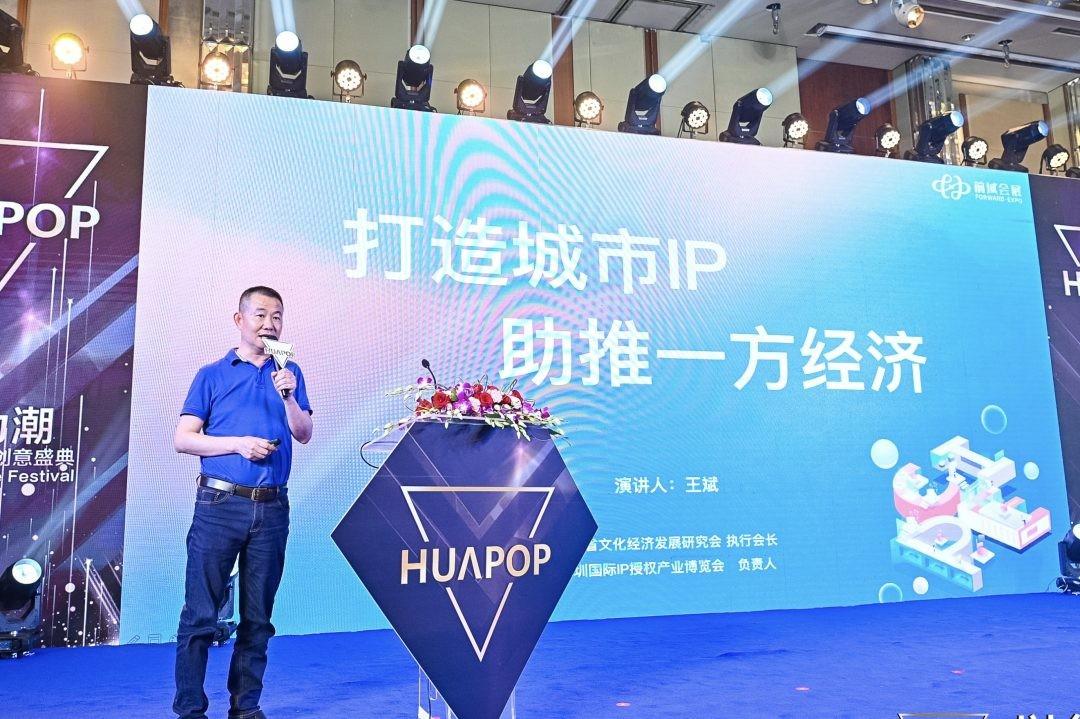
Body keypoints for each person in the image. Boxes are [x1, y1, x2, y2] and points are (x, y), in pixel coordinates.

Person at [172, 286, 313, 719]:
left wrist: (289, 396)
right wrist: (238, 444)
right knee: (201, 614)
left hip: (272, 508)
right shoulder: (212, 374)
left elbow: (304, 433)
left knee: (258, 618)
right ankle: (190, 710)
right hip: (219, 504)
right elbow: (184, 439)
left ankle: (246, 708)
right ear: (240, 320)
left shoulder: (290, 372)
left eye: (277, 317)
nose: (270, 324)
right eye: (261, 315)